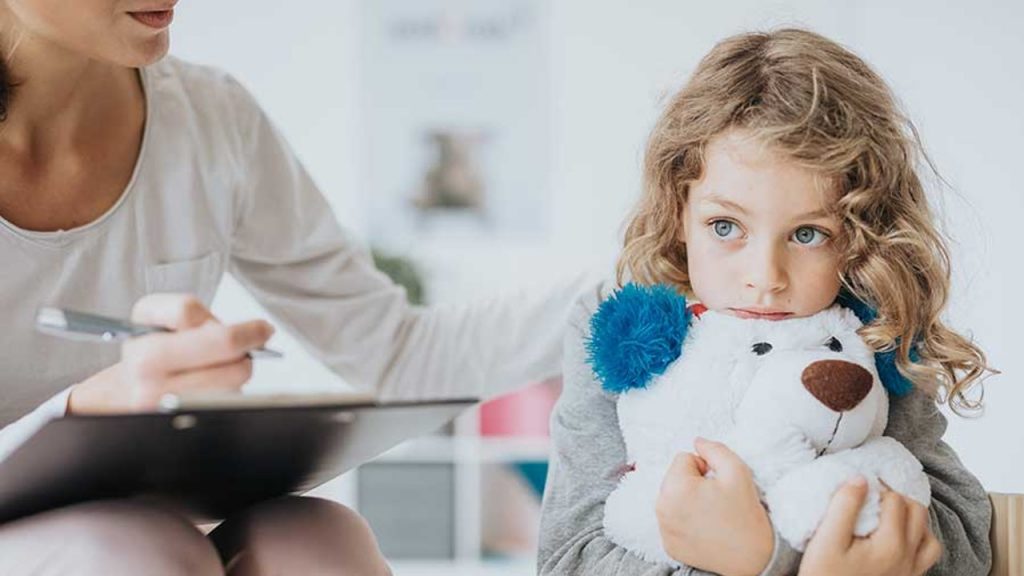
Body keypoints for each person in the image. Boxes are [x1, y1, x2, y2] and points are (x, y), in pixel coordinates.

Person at [0, 1, 590, 574]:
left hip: (146, 521)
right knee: (134, 554)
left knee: (319, 543)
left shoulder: (209, 117)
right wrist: (85, 411)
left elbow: (397, 353)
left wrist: (640, 275)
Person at [538, 28, 994, 576]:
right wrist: (765, 562)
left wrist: (782, 560)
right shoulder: (615, 324)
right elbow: (569, 558)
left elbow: (963, 536)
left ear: (861, 232)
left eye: (808, 234)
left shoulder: (865, 327)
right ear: (676, 211)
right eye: (725, 225)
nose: (765, 278)